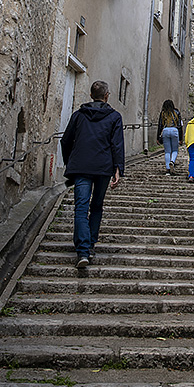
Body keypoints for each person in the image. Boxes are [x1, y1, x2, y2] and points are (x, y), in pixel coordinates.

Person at [61, 80, 124, 268]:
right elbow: (117, 144)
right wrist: (118, 169)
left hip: (81, 166)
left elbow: (65, 140)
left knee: (81, 207)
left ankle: (83, 250)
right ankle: (90, 244)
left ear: (90, 95)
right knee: (96, 205)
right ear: (107, 96)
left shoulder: (78, 116)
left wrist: (70, 161)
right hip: (103, 167)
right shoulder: (114, 117)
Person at [156, 99, 183, 173]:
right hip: (174, 130)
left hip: (165, 131)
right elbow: (180, 125)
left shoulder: (163, 113)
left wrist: (158, 137)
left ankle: (168, 168)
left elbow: (160, 125)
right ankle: (172, 161)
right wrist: (181, 138)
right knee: (175, 150)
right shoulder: (176, 112)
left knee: (167, 151)